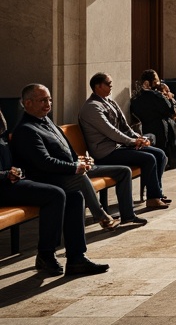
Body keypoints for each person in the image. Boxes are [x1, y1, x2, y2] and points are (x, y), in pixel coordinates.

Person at [5, 98, 109, 276]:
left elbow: (65, 149)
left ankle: (76, 258)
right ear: (27, 103)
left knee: (75, 196)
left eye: (50, 99)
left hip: (44, 176)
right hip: (36, 179)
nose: (48, 103)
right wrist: (74, 167)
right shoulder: (26, 129)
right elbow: (42, 162)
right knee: (60, 192)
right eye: (42, 100)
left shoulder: (47, 121)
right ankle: (46, 253)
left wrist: (78, 160)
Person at [79, 73, 172, 210]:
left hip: (119, 147)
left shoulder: (109, 101)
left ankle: (156, 192)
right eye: (108, 84)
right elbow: (111, 131)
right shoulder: (92, 107)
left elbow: (124, 127)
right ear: (98, 86)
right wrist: (133, 142)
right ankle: (153, 198)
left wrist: (139, 138)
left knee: (160, 154)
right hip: (106, 153)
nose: (111, 86)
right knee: (149, 158)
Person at [131, 70, 176, 169]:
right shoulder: (155, 96)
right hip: (161, 129)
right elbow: (170, 109)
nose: (158, 84)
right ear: (147, 83)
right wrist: (169, 97)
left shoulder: (136, 99)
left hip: (148, 128)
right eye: (156, 81)